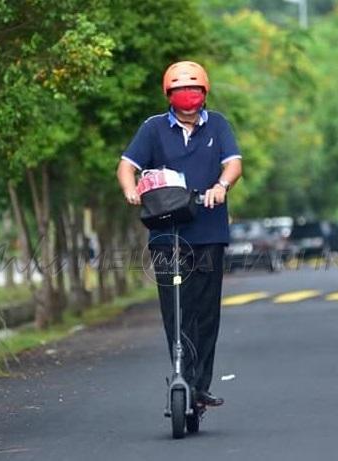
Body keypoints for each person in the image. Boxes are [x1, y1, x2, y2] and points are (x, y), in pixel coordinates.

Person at [116, 61, 242, 407]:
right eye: (180, 91)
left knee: (205, 312)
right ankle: (181, 374)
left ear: (204, 93)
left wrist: (221, 185)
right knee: (176, 310)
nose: (188, 96)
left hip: (208, 231)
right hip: (167, 232)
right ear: (168, 95)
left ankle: (200, 385)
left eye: (194, 90)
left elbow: (233, 163)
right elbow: (128, 166)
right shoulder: (154, 128)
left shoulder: (217, 124)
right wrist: (130, 189)